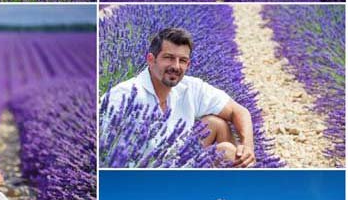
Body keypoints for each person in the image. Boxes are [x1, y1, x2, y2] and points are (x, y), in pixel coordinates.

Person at [101, 27, 255, 167]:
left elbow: (239, 111)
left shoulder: (191, 87)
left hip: (177, 160)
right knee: (226, 151)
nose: (176, 66)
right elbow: (106, 152)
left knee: (217, 124)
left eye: (182, 60)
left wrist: (247, 147)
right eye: (168, 58)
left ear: (188, 65)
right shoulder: (123, 96)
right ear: (151, 60)